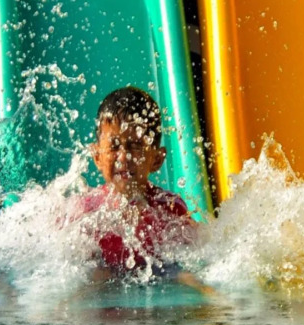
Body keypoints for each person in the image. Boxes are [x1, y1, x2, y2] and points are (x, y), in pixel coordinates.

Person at [71, 86, 209, 291]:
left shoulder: (169, 208)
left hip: (158, 281)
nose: (123, 156)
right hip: (103, 288)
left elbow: (193, 255)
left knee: (186, 277)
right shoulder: (87, 211)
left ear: (157, 159)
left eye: (135, 146)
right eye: (114, 146)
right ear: (97, 156)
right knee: (93, 277)